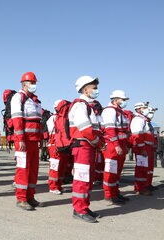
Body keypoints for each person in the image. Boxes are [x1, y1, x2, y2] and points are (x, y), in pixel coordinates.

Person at [69, 76, 105, 223]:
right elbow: (85, 129)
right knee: (82, 179)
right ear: (85, 89)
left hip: (89, 146)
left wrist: (98, 142)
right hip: (83, 146)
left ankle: (84, 207)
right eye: (94, 87)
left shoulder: (90, 106)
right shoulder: (80, 105)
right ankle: (79, 210)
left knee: (88, 179)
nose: (96, 90)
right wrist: (98, 142)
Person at [11, 72, 44, 210]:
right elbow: (17, 120)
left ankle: (30, 196)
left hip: (34, 141)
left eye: (34, 83)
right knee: (23, 170)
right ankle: (21, 199)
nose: (34, 85)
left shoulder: (34, 101)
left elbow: (38, 122)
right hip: (23, 141)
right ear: (24, 84)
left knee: (33, 170)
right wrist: (20, 140)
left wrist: (41, 138)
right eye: (32, 82)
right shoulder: (18, 98)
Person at [101, 90, 130, 204]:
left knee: (117, 171)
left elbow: (124, 131)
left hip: (120, 143)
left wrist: (125, 145)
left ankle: (115, 192)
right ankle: (109, 194)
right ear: (115, 99)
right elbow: (110, 130)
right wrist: (117, 145)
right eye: (123, 99)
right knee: (111, 170)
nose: (124, 102)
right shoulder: (109, 111)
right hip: (112, 145)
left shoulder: (119, 111)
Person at [130, 102, 154, 195]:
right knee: (141, 169)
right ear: (138, 109)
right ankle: (139, 189)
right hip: (142, 148)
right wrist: (142, 148)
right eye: (144, 107)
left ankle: (142, 187)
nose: (146, 109)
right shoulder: (138, 120)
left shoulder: (143, 119)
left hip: (145, 147)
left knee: (144, 168)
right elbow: (137, 136)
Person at [47, 100, 69, 195]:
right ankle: (53, 186)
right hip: (54, 145)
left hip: (62, 145)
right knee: (55, 167)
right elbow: (54, 133)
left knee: (62, 166)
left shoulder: (64, 118)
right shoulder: (52, 118)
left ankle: (59, 185)